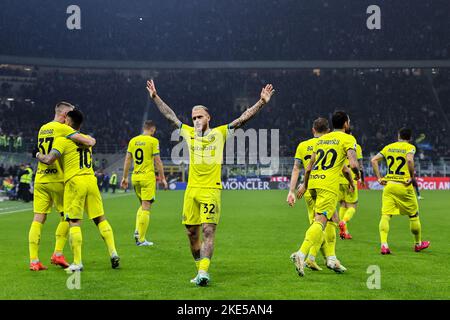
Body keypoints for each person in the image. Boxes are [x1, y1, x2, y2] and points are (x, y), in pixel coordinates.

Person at [147, 79, 275, 286]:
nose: (196, 120)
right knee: (191, 233)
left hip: (211, 190)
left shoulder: (220, 132)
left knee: (208, 231)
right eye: (194, 117)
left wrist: (261, 102)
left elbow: (242, 119)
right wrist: (155, 97)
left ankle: (204, 272)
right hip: (191, 190)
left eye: (200, 117)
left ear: (208, 118)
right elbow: (170, 115)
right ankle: (199, 270)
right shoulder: (188, 132)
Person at [37, 109, 120, 271]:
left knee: (74, 222)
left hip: (75, 182)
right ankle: (113, 253)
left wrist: (38, 155)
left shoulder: (62, 140)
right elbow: (91, 141)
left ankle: (77, 262)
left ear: (67, 121)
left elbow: (48, 159)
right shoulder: (87, 139)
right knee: (100, 219)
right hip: (91, 180)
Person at [28, 101, 96, 271]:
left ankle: (34, 260)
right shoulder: (64, 128)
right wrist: (91, 139)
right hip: (58, 180)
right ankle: (58, 253)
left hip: (41, 179)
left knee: (38, 218)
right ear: (65, 115)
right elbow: (87, 141)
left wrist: (36, 154)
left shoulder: (43, 128)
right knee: (68, 216)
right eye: (70, 114)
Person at [294, 111, 360, 277]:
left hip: (314, 183)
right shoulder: (348, 139)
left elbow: (309, 167)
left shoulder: (322, 140)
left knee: (333, 220)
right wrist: (356, 177)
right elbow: (352, 164)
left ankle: (331, 259)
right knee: (320, 222)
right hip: (328, 186)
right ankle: (301, 254)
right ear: (345, 123)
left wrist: (305, 185)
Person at [371, 127, 430, 255]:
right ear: (409, 138)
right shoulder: (410, 147)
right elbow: (409, 160)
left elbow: (373, 160)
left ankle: (384, 245)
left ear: (398, 136)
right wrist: (412, 176)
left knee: (386, 215)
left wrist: (379, 178)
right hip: (403, 186)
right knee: (413, 215)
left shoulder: (388, 147)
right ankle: (418, 244)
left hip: (389, 185)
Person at [121, 120, 168, 246]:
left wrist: (124, 177)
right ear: (152, 129)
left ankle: (137, 232)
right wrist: (162, 178)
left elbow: (127, 160)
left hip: (135, 177)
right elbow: (158, 161)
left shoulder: (133, 141)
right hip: (147, 178)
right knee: (146, 207)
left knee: (142, 205)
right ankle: (141, 239)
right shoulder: (153, 141)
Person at [338, 128, 365, 240]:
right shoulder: (356, 146)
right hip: (350, 179)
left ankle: (345, 232)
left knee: (343, 205)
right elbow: (360, 165)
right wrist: (362, 178)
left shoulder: (338, 143)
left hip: (338, 179)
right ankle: (343, 222)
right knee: (352, 206)